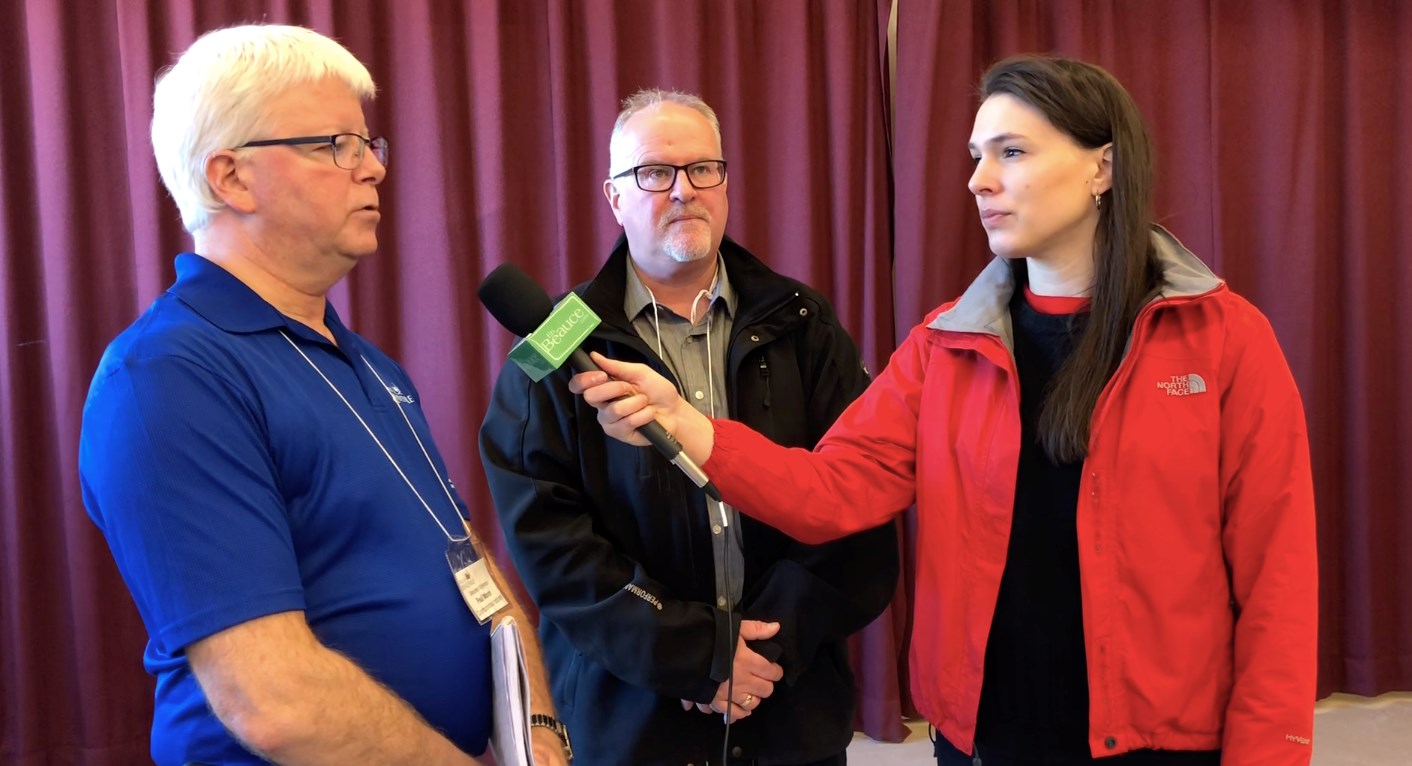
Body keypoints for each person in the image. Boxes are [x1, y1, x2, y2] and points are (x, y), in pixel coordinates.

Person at [570, 58, 1318, 766]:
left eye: (1011, 152)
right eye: (975, 156)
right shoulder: (945, 345)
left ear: (1103, 167)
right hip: (984, 740)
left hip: (1163, 743)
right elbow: (830, 491)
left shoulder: (1222, 338)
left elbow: (1276, 582)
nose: (978, 180)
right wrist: (690, 427)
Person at [79, 25, 568, 766]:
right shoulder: (167, 378)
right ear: (231, 178)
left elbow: (469, 560)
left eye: (368, 144)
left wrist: (540, 732)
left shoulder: (369, 364)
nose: (373, 168)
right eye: (336, 144)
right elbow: (272, 702)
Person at [479, 89, 899, 766]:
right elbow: (549, 544)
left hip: (788, 712)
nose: (684, 190)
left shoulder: (803, 322)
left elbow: (859, 502)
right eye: (654, 173)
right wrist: (695, 654)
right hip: (633, 722)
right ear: (614, 198)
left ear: (725, 183)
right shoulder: (558, 344)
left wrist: (762, 650)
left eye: (703, 169)